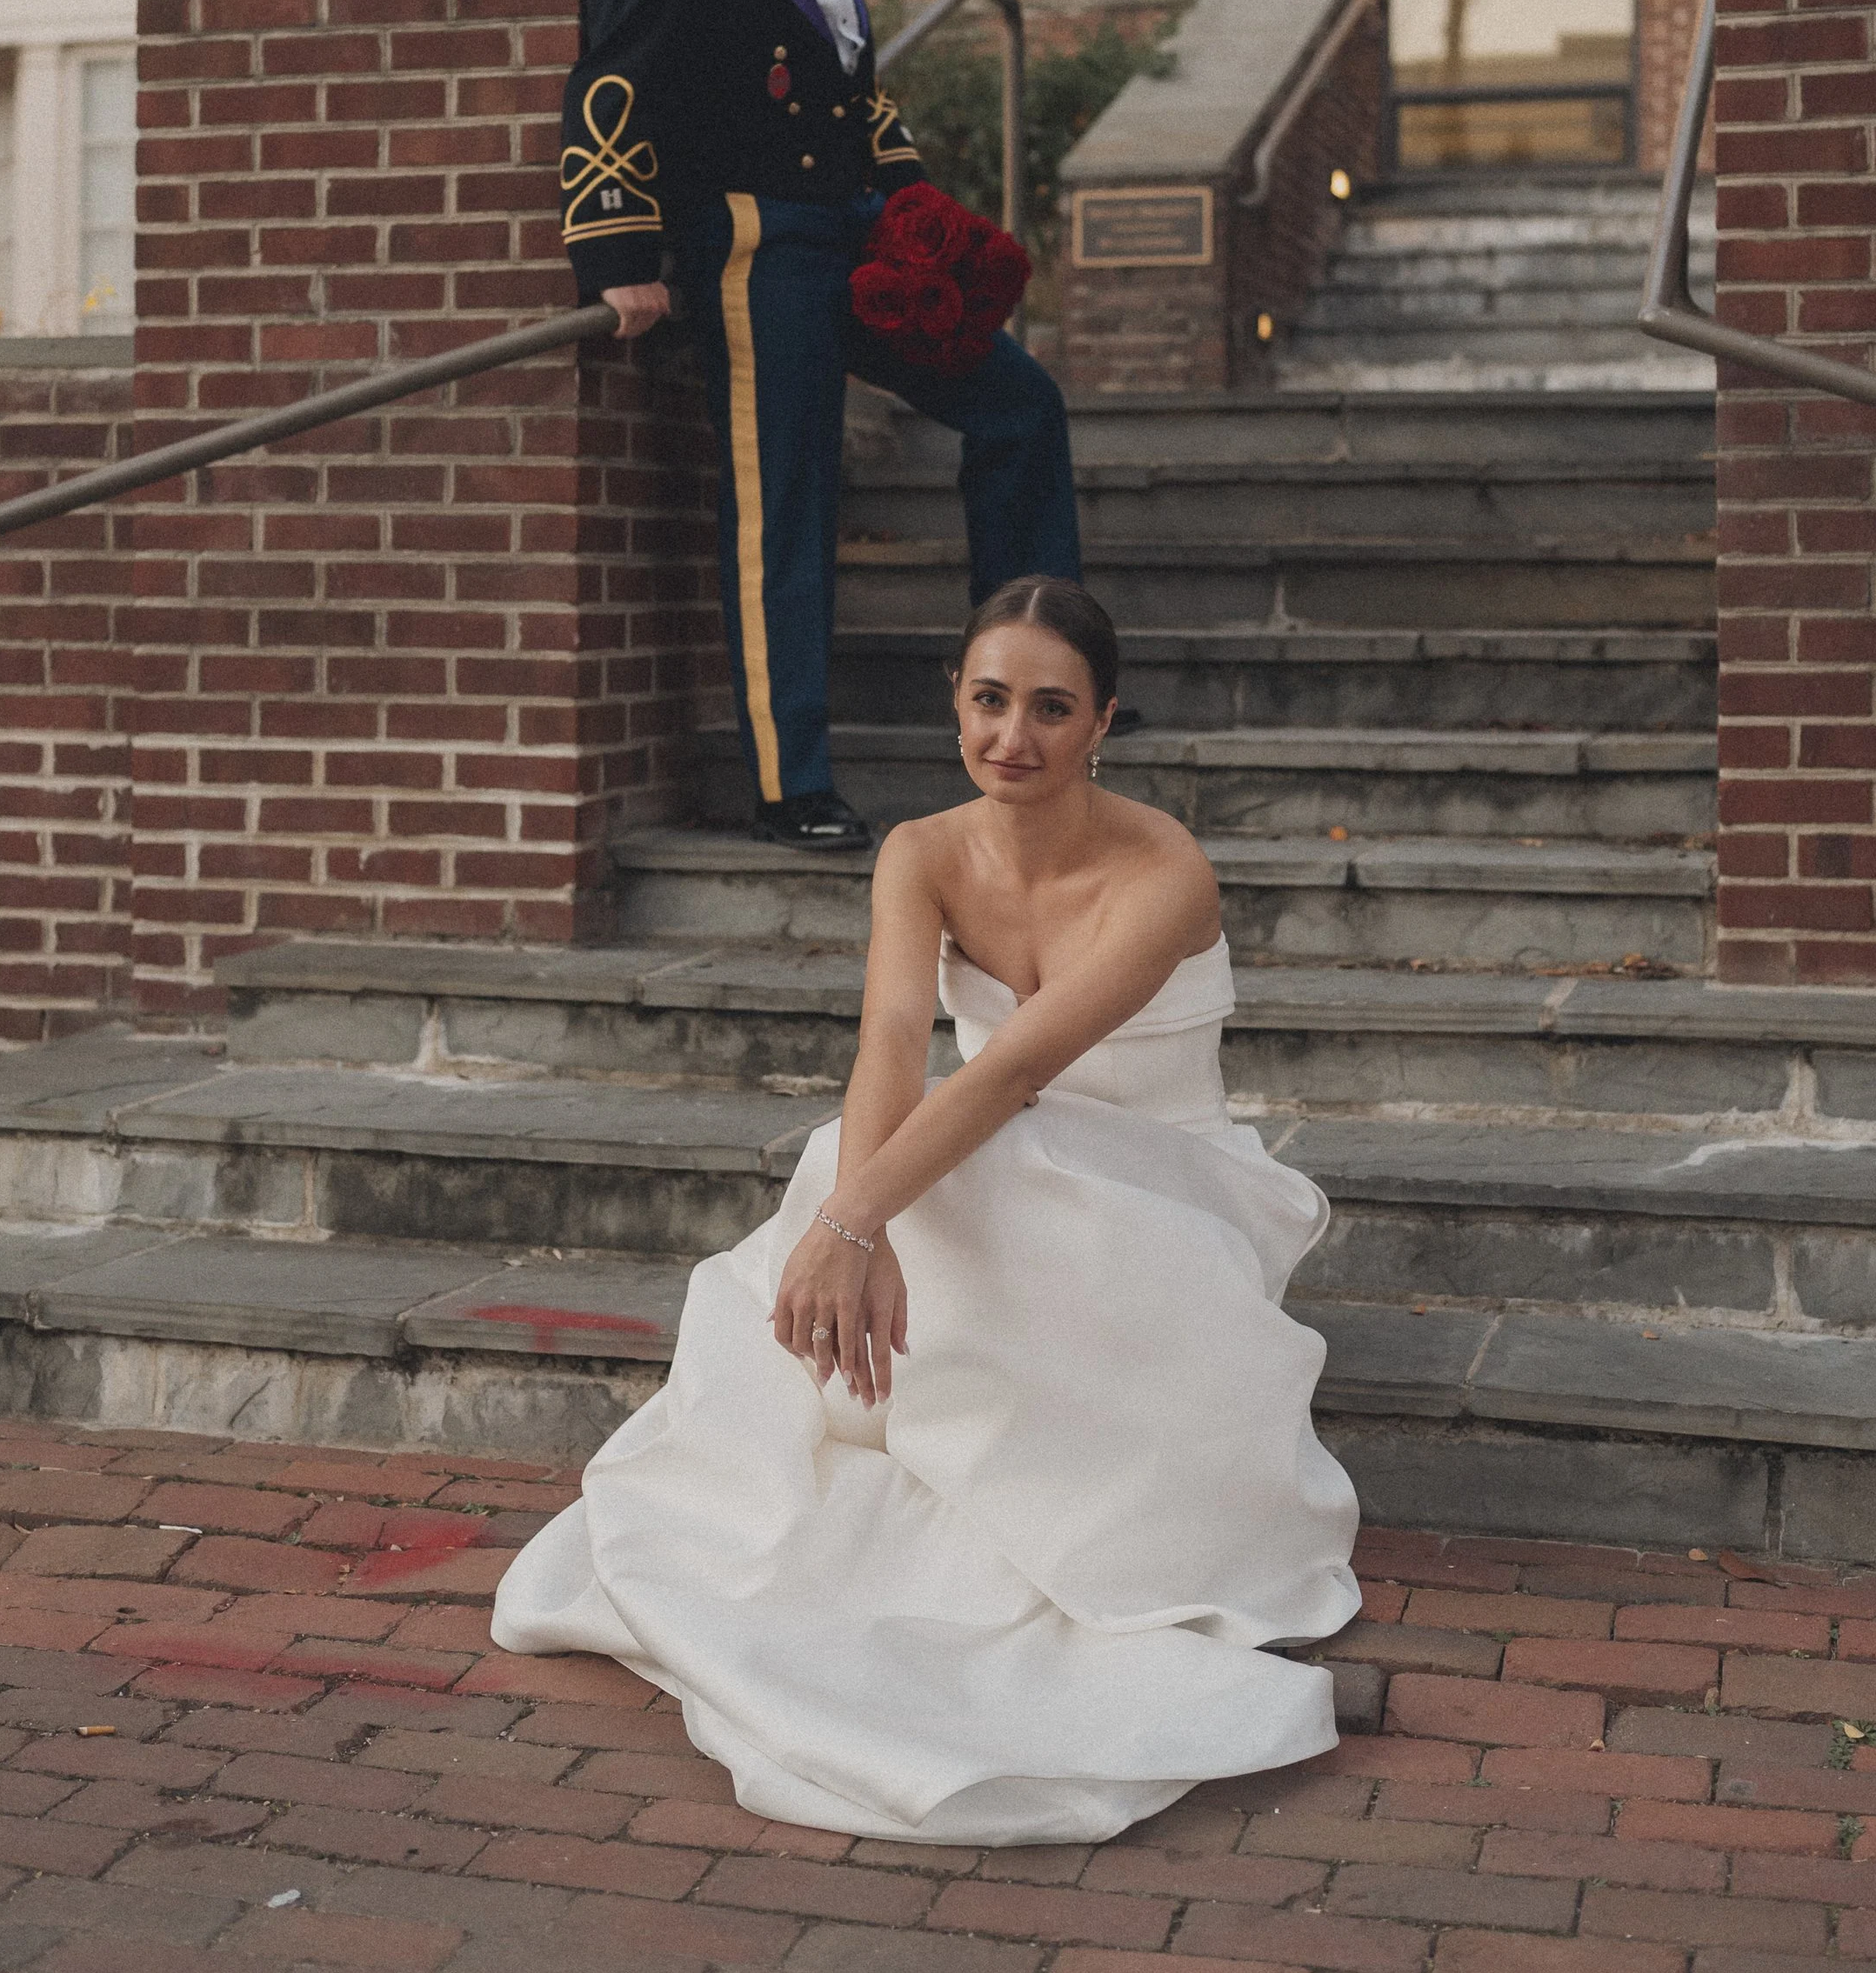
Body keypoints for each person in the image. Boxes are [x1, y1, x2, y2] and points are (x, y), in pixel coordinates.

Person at [491, 575, 1362, 1846]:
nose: (1014, 736)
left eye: (1052, 708)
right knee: (865, 1152)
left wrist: (853, 1225)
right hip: (997, 1153)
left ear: (1104, 720)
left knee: (959, 1159)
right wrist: (861, 1210)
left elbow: (1015, 1069)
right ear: (953, 701)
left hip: (1164, 1187)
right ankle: (871, 1446)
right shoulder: (922, 851)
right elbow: (896, 1034)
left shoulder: (1166, 868)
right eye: (990, 699)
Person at [560, 0, 1083, 852]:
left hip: (854, 234)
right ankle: (793, 781)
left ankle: (1047, 688)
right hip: (751, 241)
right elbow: (611, 80)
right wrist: (618, 246)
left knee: (1021, 405)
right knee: (785, 506)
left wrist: (916, 209)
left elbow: (855, 85)